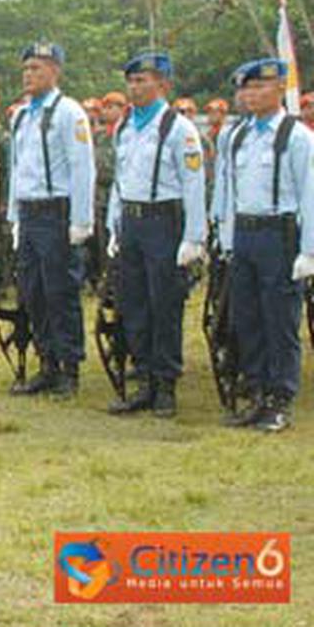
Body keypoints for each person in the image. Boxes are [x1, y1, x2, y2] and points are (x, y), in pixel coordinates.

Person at [213, 58, 314, 432]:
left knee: (279, 320)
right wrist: (225, 236)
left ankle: (280, 398)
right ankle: (256, 392)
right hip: (244, 232)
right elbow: (227, 190)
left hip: (280, 233)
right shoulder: (237, 134)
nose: (250, 95)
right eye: (245, 88)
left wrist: (309, 250)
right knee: (247, 318)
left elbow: (310, 194)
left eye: (259, 87)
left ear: (279, 88)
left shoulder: (296, 136)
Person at [104, 52, 207, 418]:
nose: (135, 87)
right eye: (131, 81)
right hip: (132, 221)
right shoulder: (127, 126)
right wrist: (113, 224)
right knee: (134, 303)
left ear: (163, 85)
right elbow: (120, 180)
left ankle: (165, 384)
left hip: (164, 221)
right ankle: (143, 378)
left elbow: (194, 185)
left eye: (142, 80)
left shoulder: (179, 129)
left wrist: (194, 237)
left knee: (164, 304)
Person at [6, 42, 96, 399]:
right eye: (26, 69)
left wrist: (81, 220)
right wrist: (14, 216)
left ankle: (69, 367)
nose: (29, 75)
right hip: (29, 212)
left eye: (37, 69)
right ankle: (47, 362)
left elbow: (81, 167)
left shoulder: (68, 112)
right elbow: (17, 169)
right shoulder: (21, 115)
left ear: (55, 71)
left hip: (56, 213)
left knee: (60, 293)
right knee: (33, 292)